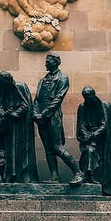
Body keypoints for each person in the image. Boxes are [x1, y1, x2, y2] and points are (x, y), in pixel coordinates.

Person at [33, 54, 83, 184]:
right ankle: (54, 176)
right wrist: (35, 113)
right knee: (48, 148)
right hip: (40, 117)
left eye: (48, 61)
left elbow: (58, 98)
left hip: (52, 115)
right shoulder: (42, 80)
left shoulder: (62, 78)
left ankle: (78, 173)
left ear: (55, 63)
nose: (45, 64)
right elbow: (37, 99)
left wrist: (43, 114)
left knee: (57, 147)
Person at [0, 71, 39, 183]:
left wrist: (13, 114)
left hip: (21, 127)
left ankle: (23, 175)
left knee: (22, 150)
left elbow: (25, 105)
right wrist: (3, 113)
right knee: (9, 150)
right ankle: (11, 175)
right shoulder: (3, 89)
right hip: (9, 125)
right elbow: (0, 106)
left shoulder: (20, 86)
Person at [76, 86, 111, 195]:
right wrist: (86, 136)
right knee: (89, 150)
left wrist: (93, 135)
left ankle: (96, 178)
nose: (88, 99)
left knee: (93, 152)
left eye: (89, 96)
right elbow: (80, 124)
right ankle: (89, 175)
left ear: (94, 95)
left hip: (102, 139)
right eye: (85, 97)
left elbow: (105, 124)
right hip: (87, 138)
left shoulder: (104, 105)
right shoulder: (82, 107)